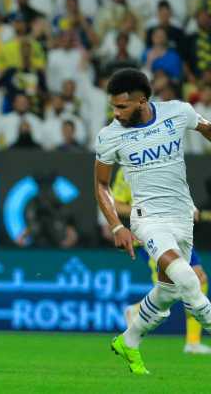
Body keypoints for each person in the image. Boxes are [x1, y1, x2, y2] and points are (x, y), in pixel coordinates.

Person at [94, 68, 211, 374]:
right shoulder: (110, 136)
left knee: (168, 292)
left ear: (142, 100)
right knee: (190, 280)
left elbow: (206, 128)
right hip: (148, 219)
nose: (115, 113)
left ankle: (128, 341)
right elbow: (101, 185)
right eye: (113, 107)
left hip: (182, 218)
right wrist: (117, 226)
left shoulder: (178, 113)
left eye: (122, 107)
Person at [112, 169, 211, 354]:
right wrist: (144, 212)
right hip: (150, 233)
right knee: (172, 289)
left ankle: (192, 342)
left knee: (198, 278)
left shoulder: (165, 156)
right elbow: (116, 205)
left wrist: (189, 206)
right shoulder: (128, 166)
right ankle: (137, 312)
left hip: (175, 227)